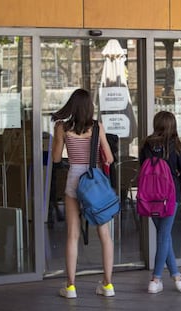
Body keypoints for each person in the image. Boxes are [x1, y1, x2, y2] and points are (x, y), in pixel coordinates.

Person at [51, 88, 115, 298]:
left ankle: (70, 286)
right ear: (89, 107)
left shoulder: (62, 127)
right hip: (94, 181)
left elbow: (56, 159)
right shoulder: (97, 127)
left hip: (74, 179)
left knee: (72, 234)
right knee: (104, 235)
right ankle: (107, 285)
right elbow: (109, 158)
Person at [139, 111, 181, 294]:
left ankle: (177, 278)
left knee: (164, 236)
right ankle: (155, 279)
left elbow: (142, 168)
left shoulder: (146, 144)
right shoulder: (177, 146)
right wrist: (175, 174)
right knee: (164, 236)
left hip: (149, 198)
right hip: (169, 197)